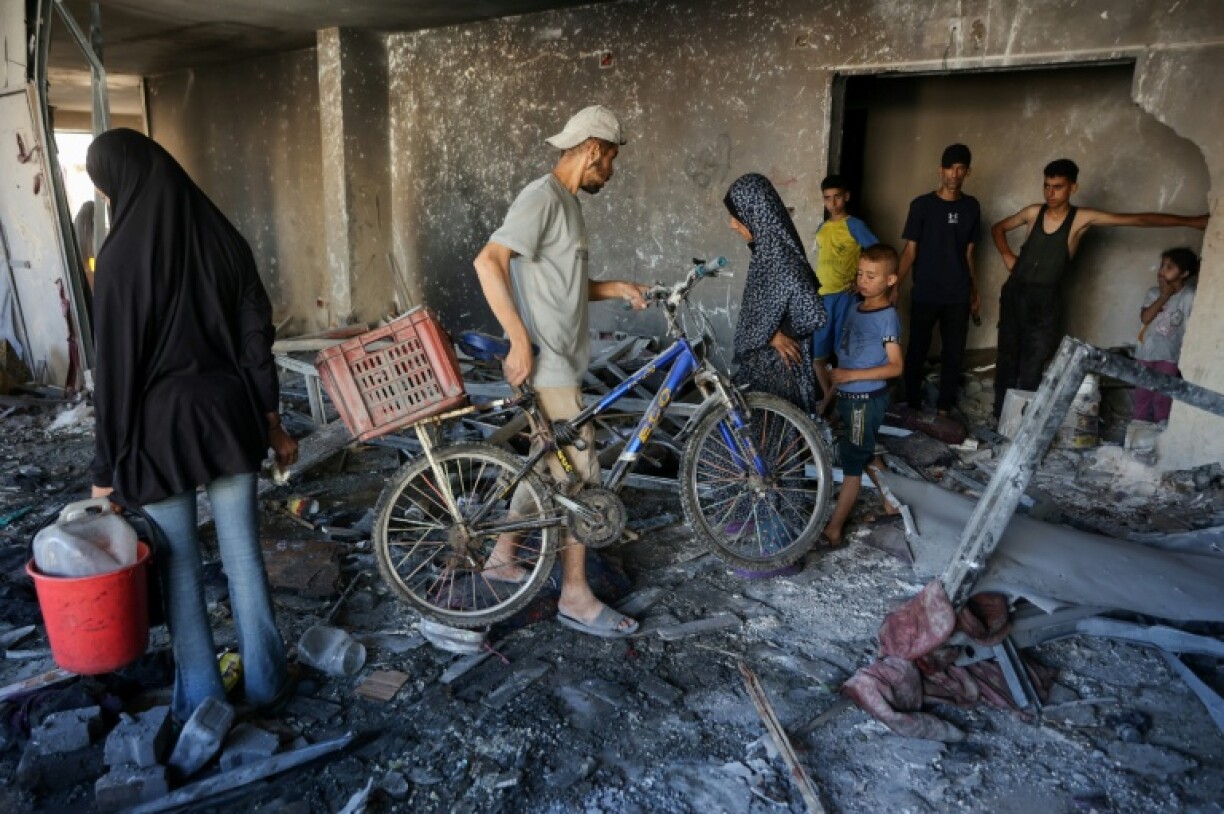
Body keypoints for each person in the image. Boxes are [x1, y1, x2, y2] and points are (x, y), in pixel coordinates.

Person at [86, 128, 294, 723]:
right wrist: (272, 421)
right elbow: (256, 344)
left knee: (179, 569)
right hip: (230, 418)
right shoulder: (226, 241)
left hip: (158, 433)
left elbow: (116, 374)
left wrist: (106, 468)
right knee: (244, 558)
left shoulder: (120, 258)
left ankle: (202, 700)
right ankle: (267, 684)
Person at [473, 105, 649, 638]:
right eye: (610, 160)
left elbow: (565, 283)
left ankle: (501, 558)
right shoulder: (542, 197)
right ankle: (574, 596)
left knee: (547, 466)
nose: (610, 173)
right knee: (580, 480)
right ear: (593, 150)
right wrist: (517, 339)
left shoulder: (568, 205)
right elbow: (488, 261)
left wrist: (615, 287)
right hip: (547, 364)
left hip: (564, 364)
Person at [990, 158, 1209, 417]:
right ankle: (999, 415)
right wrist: (1006, 254)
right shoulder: (1033, 213)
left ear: (1073, 188)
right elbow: (998, 228)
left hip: (1045, 299)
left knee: (1034, 361)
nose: (1050, 193)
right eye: (1047, 186)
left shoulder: (1080, 218)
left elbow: (1137, 220)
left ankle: (1022, 420)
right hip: (1015, 293)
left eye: (1058, 187)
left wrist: (1192, 221)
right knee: (1007, 355)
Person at [724, 172, 826, 413]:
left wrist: (774, 333)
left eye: (737, 216)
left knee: (774, 430)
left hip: (778, 370)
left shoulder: (779, 257)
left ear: (755, 215)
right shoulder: (767, 251)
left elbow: (812, 314)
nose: (732, 224)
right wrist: (768, 332)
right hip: (770, 368)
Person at [822, 244, 903, 546]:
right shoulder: (856, 308)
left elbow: (896, 366)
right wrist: (829, 398)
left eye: (871, 276)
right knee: (863, 450)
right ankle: (890, 501)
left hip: (865, 401)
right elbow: (847, 362)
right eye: (860, 274)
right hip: (847, 396)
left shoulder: (888, 317)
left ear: (890, 280)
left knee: (852, 465)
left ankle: (834, 529)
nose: (863, 281)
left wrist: (850, 377)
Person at [896, 143, 981, 416]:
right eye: (949, 168)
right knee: (917, 350)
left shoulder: (971, 206)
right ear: (940, 170)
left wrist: (974, 291)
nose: (954, 174)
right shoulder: (922, 205)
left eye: (960, 168)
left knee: (953, 353)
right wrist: (894, 286)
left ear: (968, 172)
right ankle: (912, 404)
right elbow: (910, 250)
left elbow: (969, 253)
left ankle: (944, 408)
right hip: (926, 291)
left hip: (957, 293)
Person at [810, 174, 878, 414]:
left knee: (844, 356)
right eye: (827, 198)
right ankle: (831, 402)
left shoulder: (854, 225)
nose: (833, 203)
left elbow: (877, 254)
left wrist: (861, 283)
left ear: (846, 197)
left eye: (837, 197)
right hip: (821, 298)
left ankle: (828, 406)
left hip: (844, 298)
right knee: (818, 358)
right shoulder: (822, 228)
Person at [1133, 248, 1199, 423]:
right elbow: (1145, 318)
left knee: (1163, 397)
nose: (1161, 271)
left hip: (1170, 356)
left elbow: (1191, 328)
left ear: (1184, 273)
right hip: (1145, 353)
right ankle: (1137, 427)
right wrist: (1164, 296)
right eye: (1162, 265)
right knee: (1142, 394)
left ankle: (1161, 429)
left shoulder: (1189, 296)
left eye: (1169, 267)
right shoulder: (1153, 293)